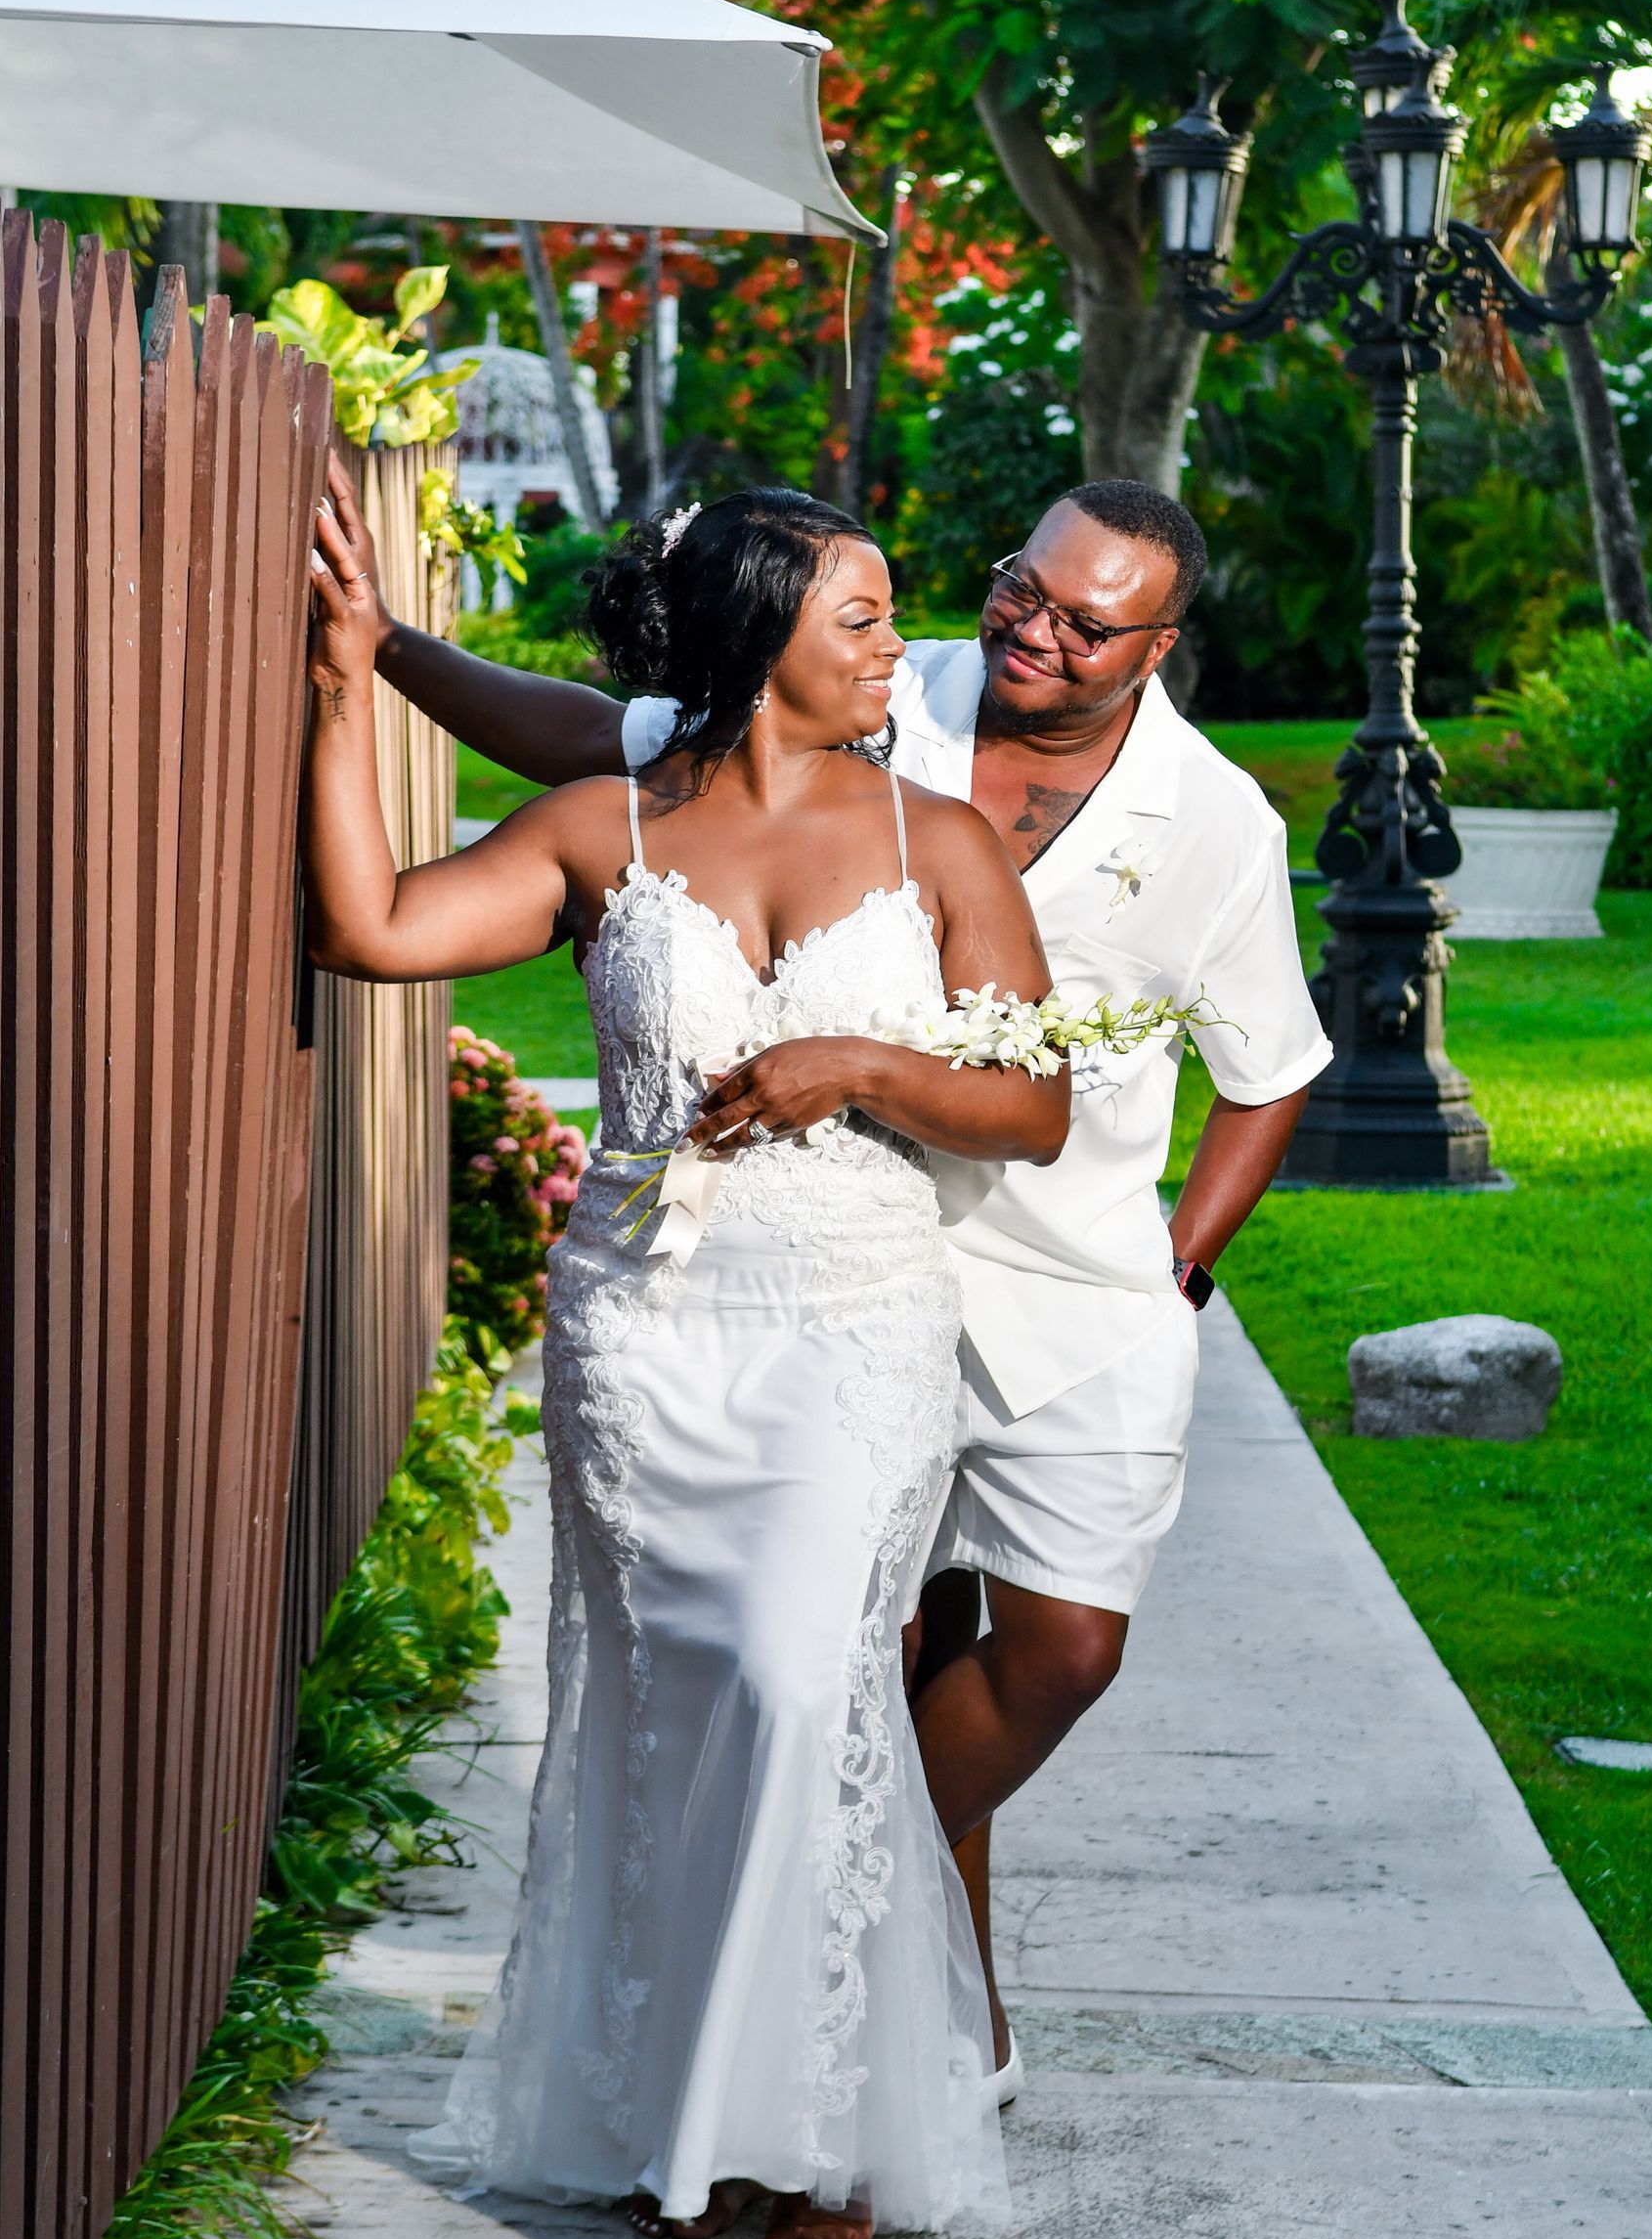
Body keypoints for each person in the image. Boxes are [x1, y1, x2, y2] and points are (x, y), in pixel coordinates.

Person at [344, 470, 1331, 2090]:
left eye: (1086, 624)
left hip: (1076, 1287)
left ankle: (801, 1906)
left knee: (1060, 1653)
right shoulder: (881, 687)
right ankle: (922, 2024)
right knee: (865, 1659)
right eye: (1023, 585)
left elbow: (1271, 1068)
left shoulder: (1218, 822)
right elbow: (596, 740)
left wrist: (1182, 1269)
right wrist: (385, 648)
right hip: (847, 1274)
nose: (1035, 629)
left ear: (1155, 649)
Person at [303, 475, 1068, 2239]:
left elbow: (1032, 1106)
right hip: (645, 1334)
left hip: (854, 1326)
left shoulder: (942, 846)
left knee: (807, 1689)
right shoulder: (604, 828)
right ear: (756, 637)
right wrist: (343, 692)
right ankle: (693, 2123)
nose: (898, 648)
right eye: (862, 618)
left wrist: (859, 1065)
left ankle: (825, 2129)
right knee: (672, 1709)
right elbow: (370, 933)